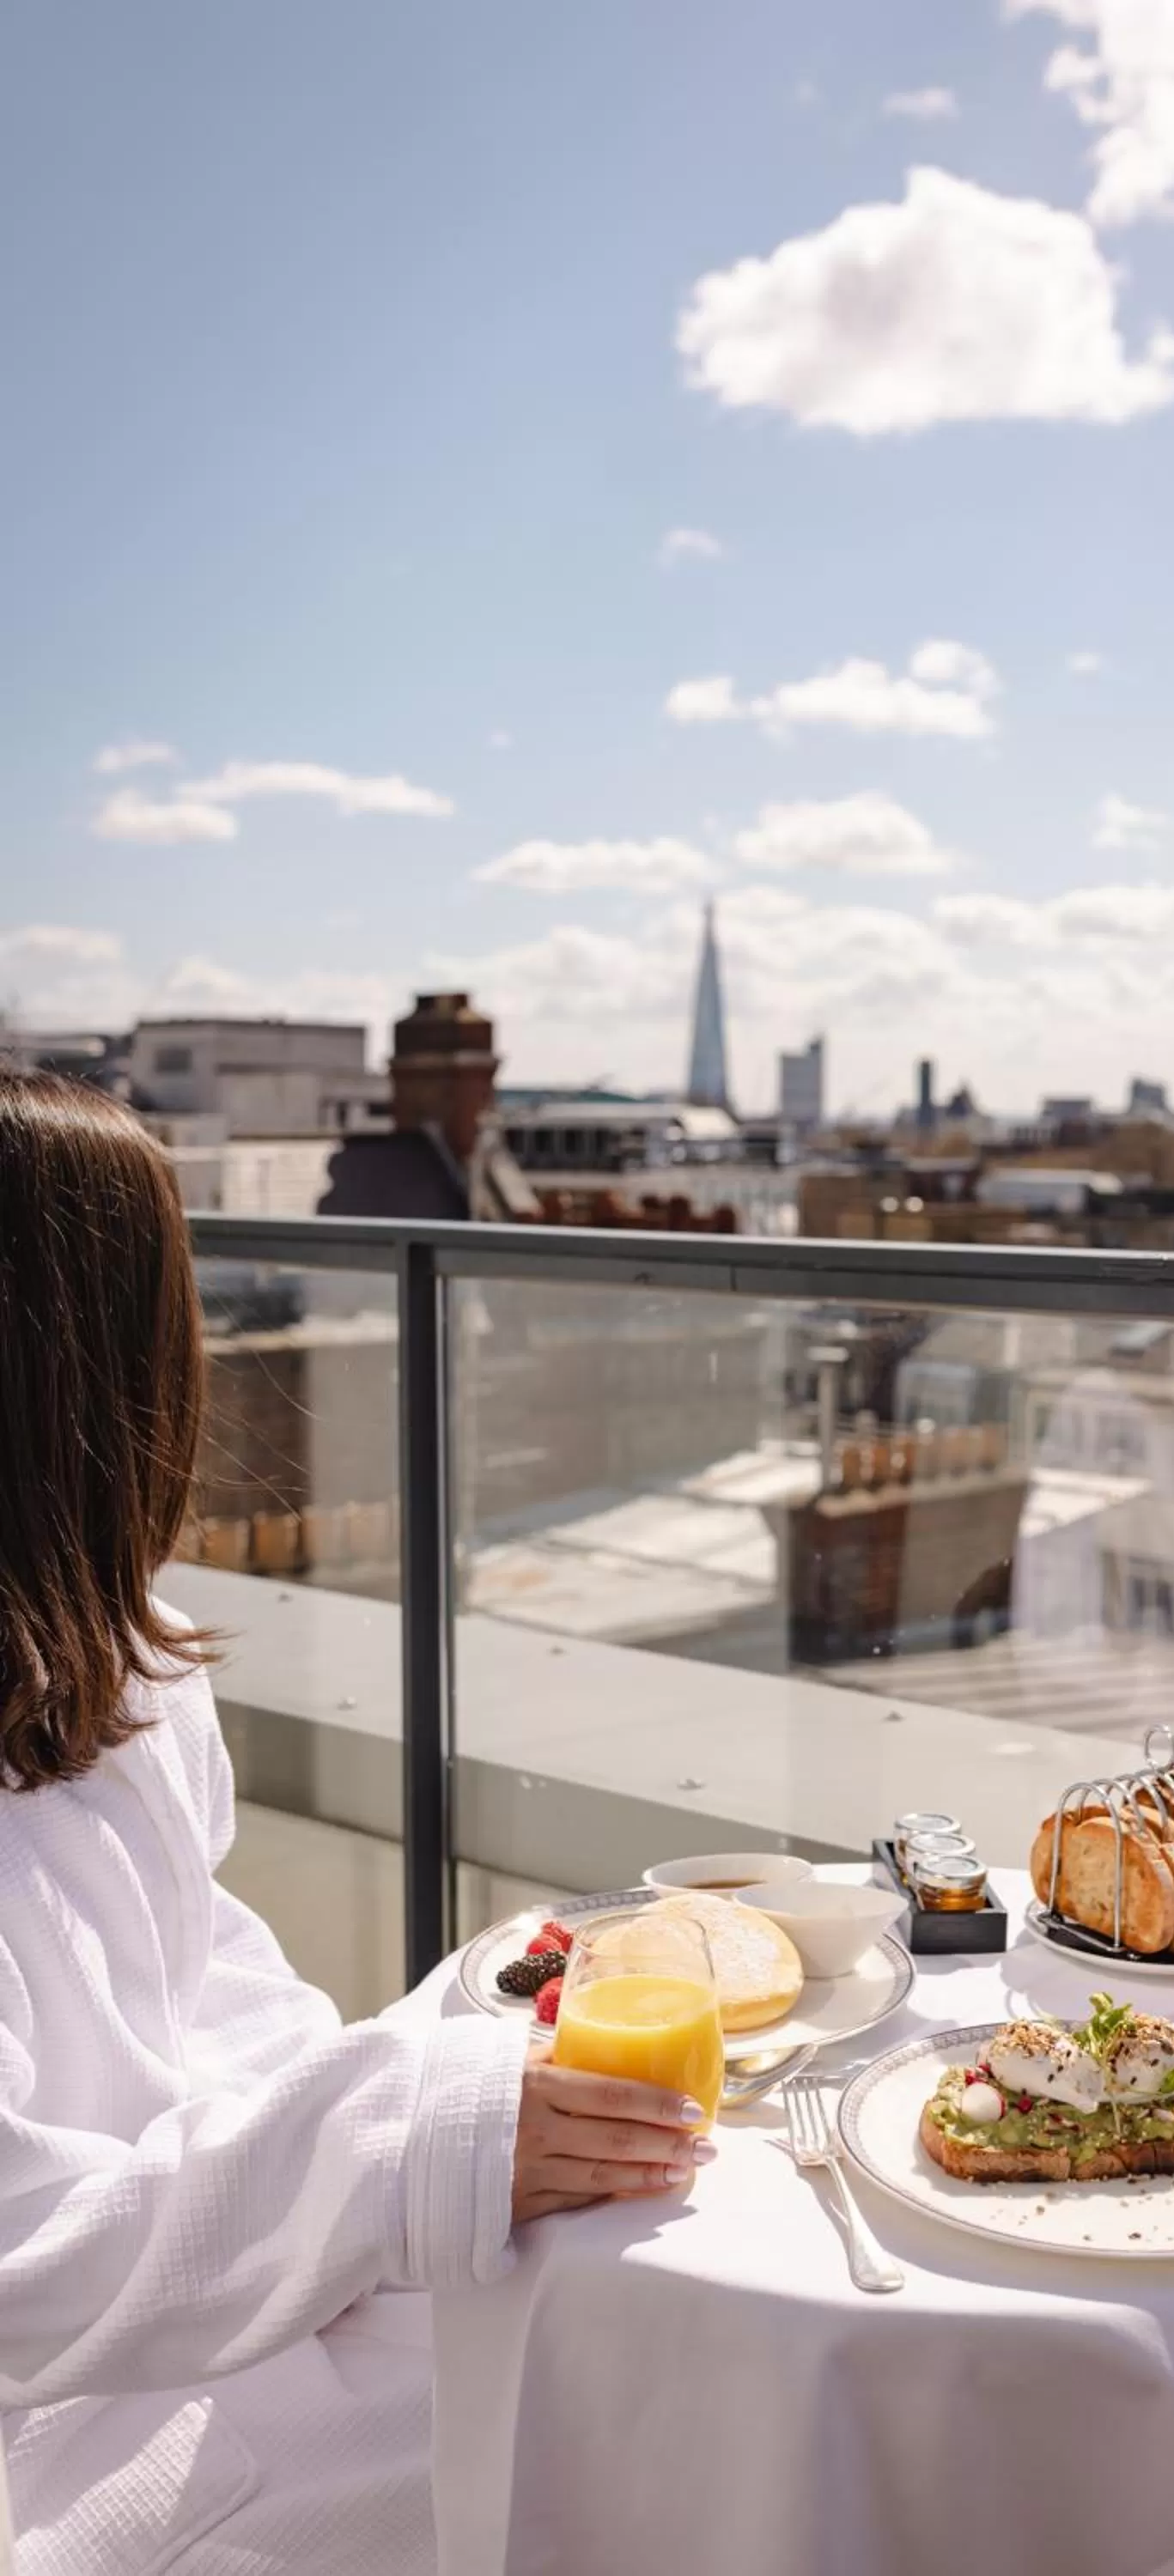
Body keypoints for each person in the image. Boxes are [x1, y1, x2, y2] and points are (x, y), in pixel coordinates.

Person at [0, 1072, 714, 2573]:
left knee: (620, 2349)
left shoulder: (124, 1667)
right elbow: (21, 2271)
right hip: (61, 2422)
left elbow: (211, 1981)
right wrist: (404, 2150)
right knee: (630, 2444)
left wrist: (445, 2102)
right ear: (106, 1370)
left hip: (211, 2301)